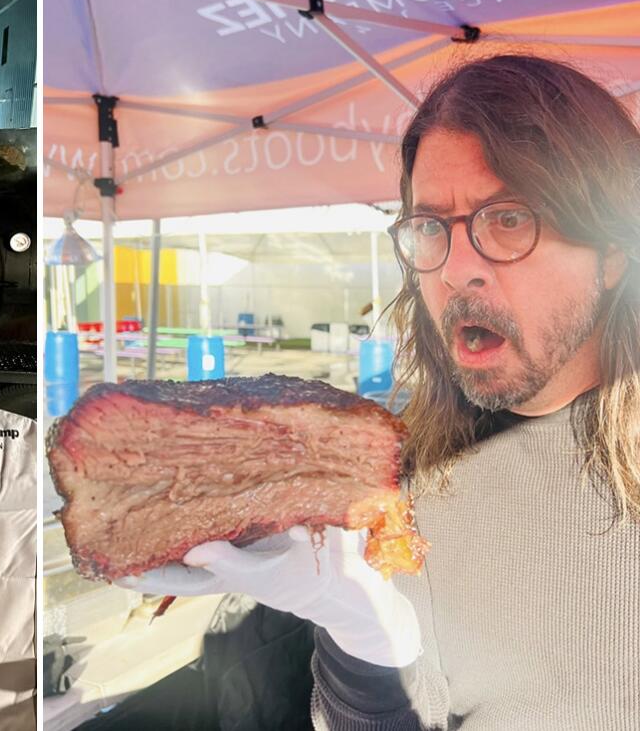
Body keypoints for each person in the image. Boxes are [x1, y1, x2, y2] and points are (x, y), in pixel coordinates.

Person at [122, 54, 640, 729]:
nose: (456, 271)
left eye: (509, 219)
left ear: (613, 252)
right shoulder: (399, 488)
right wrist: (363, 642)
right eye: (430, 228)